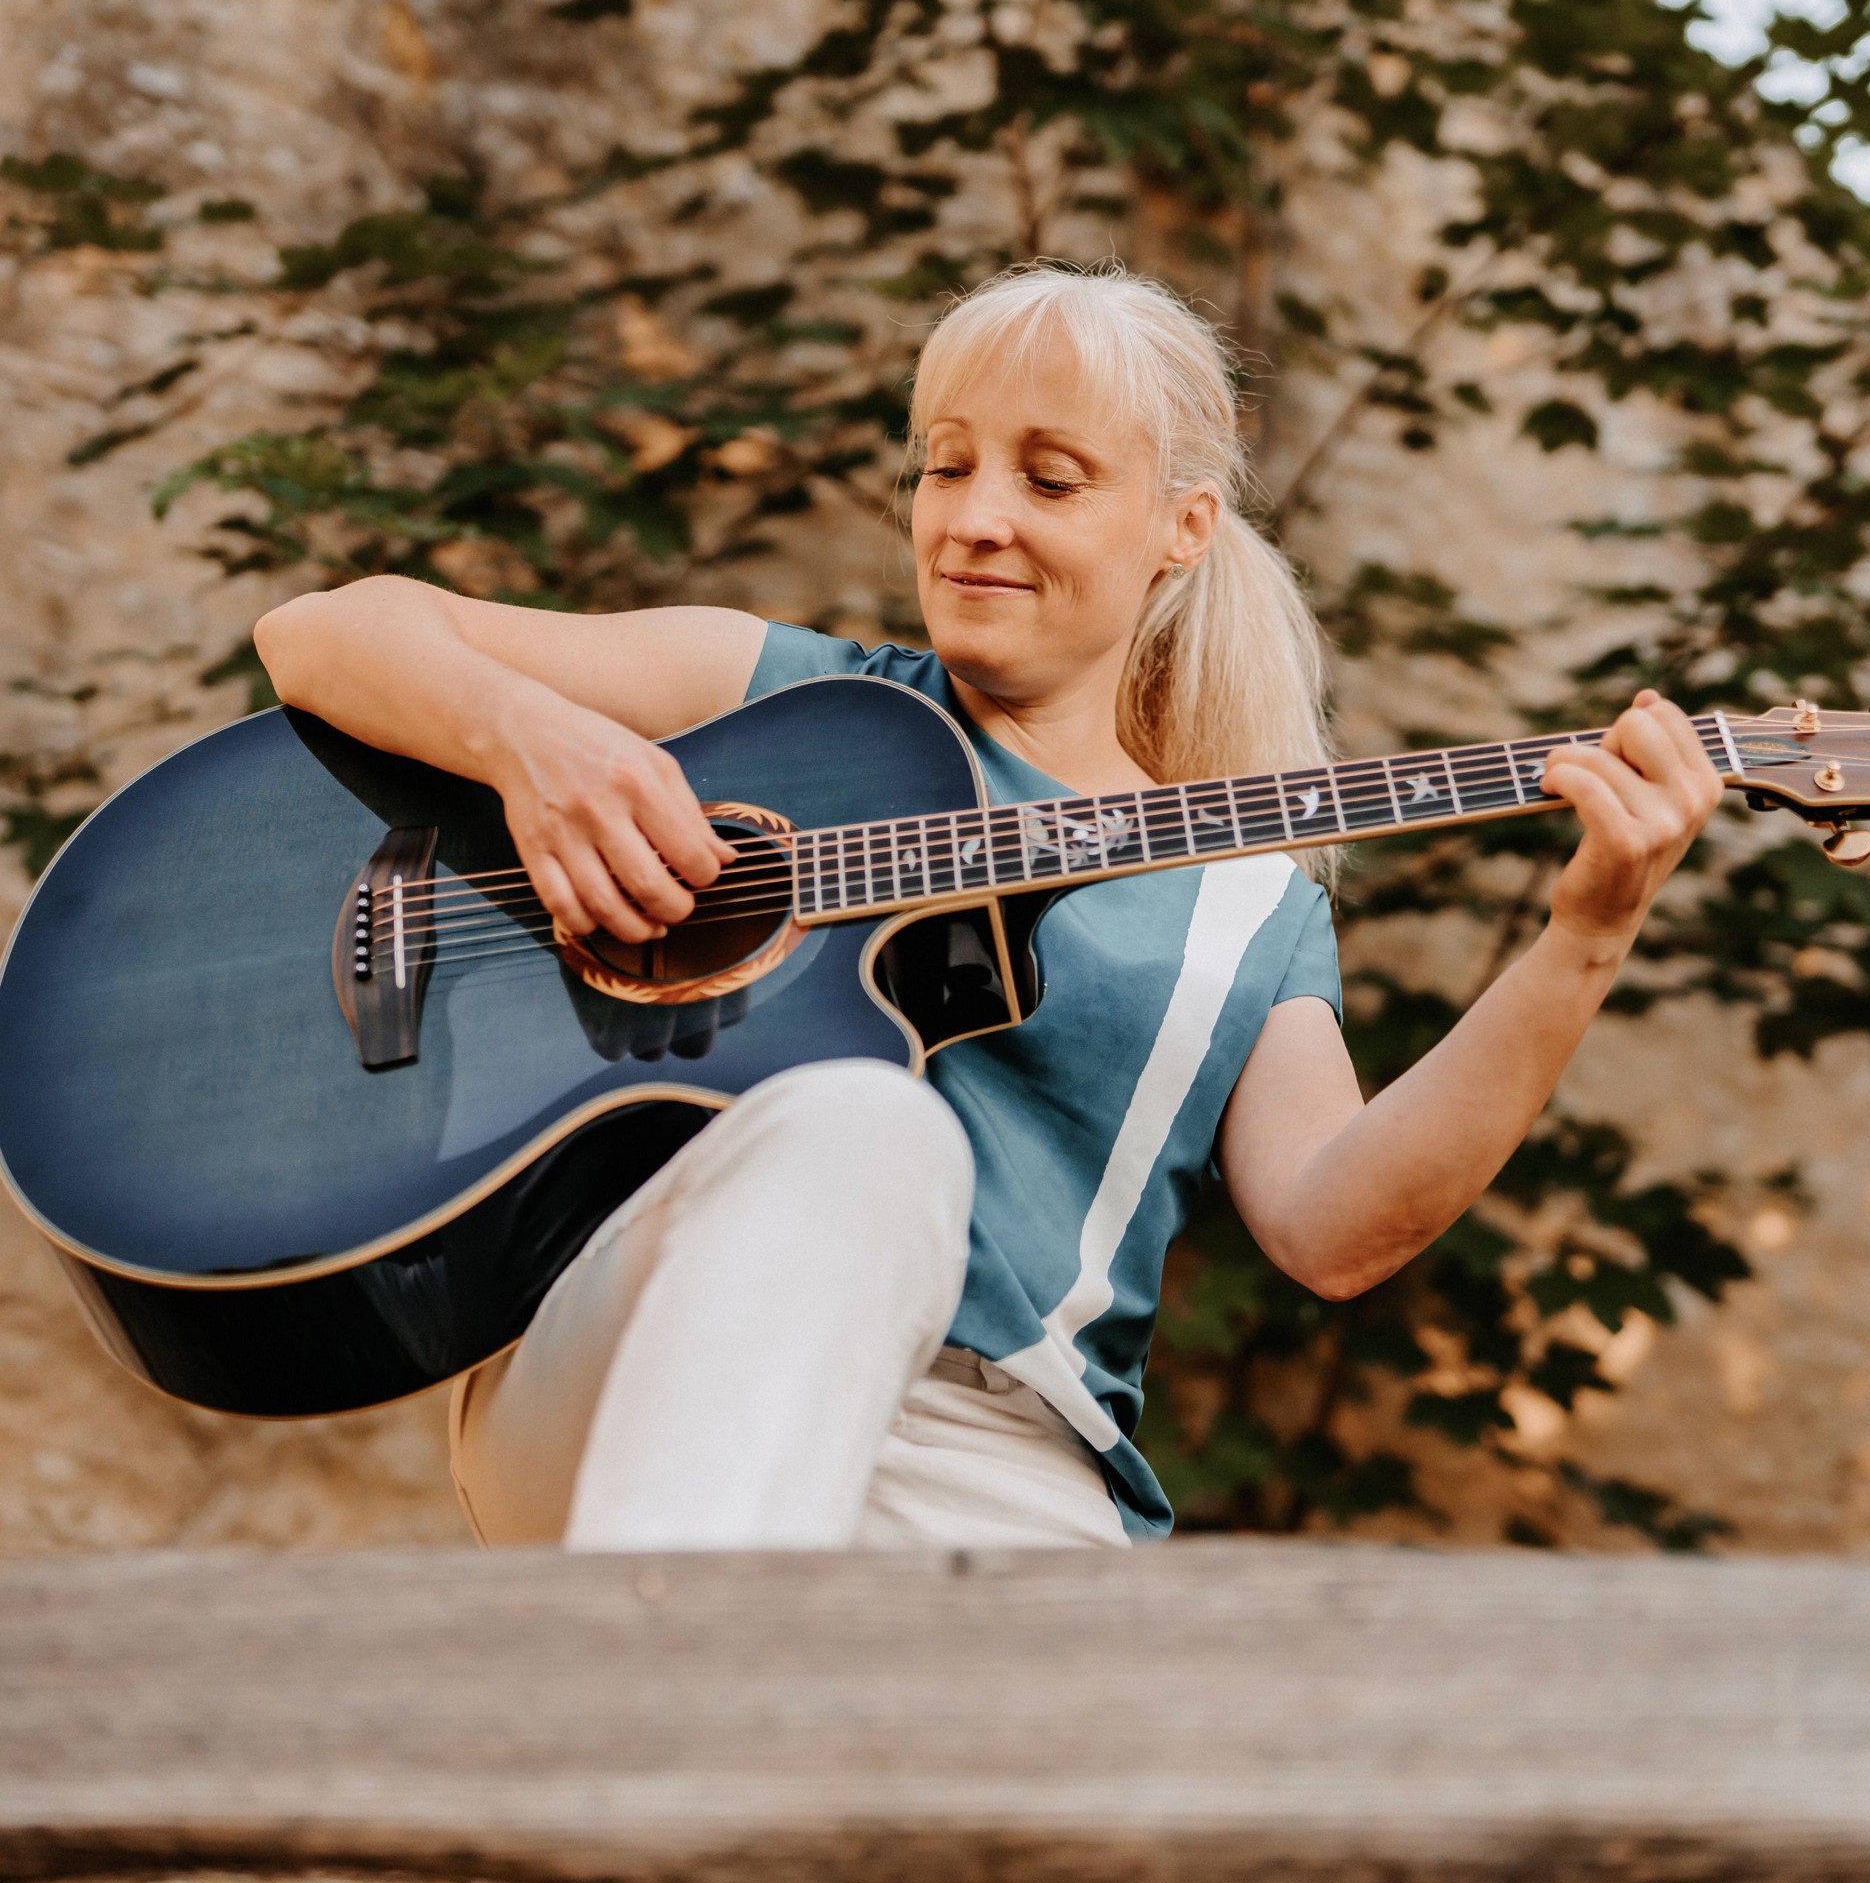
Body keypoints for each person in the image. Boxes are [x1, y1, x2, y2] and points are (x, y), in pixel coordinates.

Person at [253, 262, 1722, 1553]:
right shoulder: (786, 701)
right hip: (642, 1355)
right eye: (944, 467)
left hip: (994, 1454)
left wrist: (1585, 937)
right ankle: (669, 1730)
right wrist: (537, 746)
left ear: (1181, 526)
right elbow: (323, 633)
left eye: (1050, 477)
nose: (975, 519)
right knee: (868, 1124)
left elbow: (1337, 1228)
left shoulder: (1245, 903)